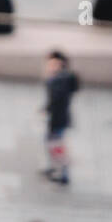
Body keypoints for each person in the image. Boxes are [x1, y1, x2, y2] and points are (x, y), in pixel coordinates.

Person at [42, 50, 80, 185]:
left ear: (60, 64)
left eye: (52, 64)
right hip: (57, 119)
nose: (49, 66)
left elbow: (56, 101)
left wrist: (47, 111)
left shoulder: (59, 81)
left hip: (58, 120)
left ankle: (63, 174)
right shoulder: (61, 79)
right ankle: (54, 168)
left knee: (57, 146)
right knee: (51, 144)